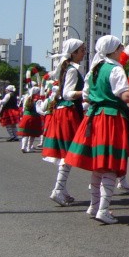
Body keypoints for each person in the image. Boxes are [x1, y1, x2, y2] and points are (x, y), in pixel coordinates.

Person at [64, 36, 129, 225]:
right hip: (111, 118)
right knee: (110, 166)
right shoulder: (115, 68)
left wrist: (101, 99)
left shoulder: (95, 69)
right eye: (120, 46)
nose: (123, 48)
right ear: (114, 49)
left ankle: (94, 205)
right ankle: (104, 209)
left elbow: (87, 95)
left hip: (93, 116)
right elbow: (125, 95)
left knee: (98, 166)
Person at [43, 39, 86, 207]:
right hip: (68, 112)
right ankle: (58, 189)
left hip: (64, 111)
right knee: (69, 153)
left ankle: (61, 189)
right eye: (81, 50)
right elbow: (68, 93)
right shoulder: (73, 70)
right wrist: (86, 91)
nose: (83, 53)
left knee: (66, 153)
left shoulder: (67, 68)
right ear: (73, 53)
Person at [17, 86, 43, 152]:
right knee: (32, 134)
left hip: (26, 116)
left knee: (25, 133)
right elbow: (38, 110)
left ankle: (23, 146)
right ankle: (29, 147)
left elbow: (23, 108)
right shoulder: (38, 99)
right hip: (35, 117)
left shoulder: (26, 97)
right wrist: (44, 113)